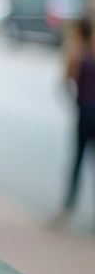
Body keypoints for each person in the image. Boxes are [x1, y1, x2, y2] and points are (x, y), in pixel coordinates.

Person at [56, 16, 95, 224]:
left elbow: (66, 81)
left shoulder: (77, 53)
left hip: (85, 111)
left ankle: (67, 208)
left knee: (77, 161)